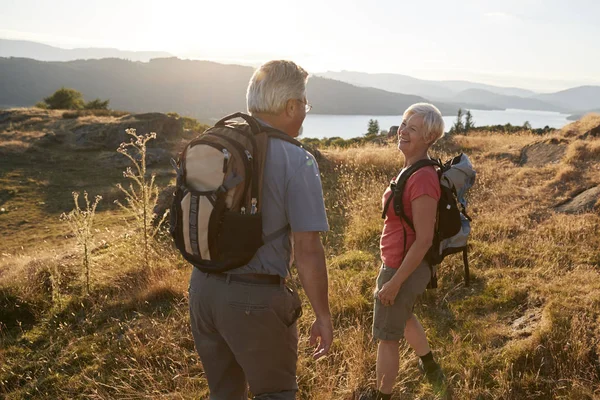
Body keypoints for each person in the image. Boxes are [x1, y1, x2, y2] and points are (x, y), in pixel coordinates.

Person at [188, 60, 333, 400]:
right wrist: (323, 316)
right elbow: (308, 249)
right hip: (253, 299)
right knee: (276, 394)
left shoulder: (216, 142)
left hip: (202, 289)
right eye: (305, 104)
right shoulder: (299, 160)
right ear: (290, 106)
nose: (305, 112)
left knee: (223, 393)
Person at [369, 103, 446, 399]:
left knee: (387, 338)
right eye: (403, 124)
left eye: (412, 129)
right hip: (397, 262)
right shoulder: (411, 168)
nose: (402, 131)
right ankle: (430, 365)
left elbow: (424, 239)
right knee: (404, 316)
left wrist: (394, 282)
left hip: (403, 266)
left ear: (428, 138)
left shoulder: (423, 177)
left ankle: (382, 396)